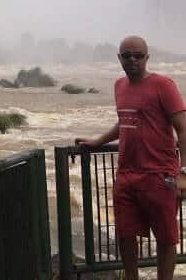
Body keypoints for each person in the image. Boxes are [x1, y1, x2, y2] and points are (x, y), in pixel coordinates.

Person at [76, 35, 186, 280]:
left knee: (166, 237)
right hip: (126, 175)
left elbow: (183, 128)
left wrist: (183, 173)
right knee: (125, 234)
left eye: (138, 55)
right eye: (127, 55)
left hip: (160, 174)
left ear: (147, 57)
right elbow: (125, 121)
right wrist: (97, 142)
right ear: (119, 58)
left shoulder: (163, 85)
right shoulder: (119, 86)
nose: (132, 60)